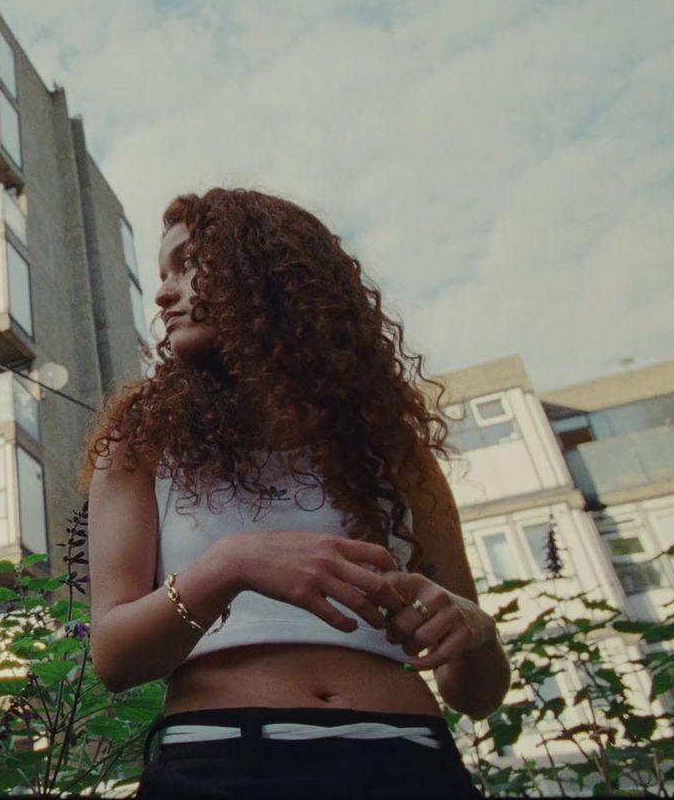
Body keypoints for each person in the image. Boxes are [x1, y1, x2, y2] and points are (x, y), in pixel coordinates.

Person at [81, 188, 508, 797]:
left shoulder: (391, 451)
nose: (163, 292)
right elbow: (114, 659)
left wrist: (475, 627)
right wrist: (233, 564)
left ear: (266, 274)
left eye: (190, 264)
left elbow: (478, 696)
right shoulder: (140, 445)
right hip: (220, 760)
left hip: (408, 758)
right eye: (161, 273)